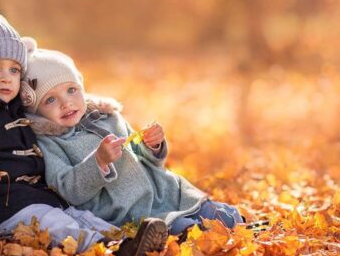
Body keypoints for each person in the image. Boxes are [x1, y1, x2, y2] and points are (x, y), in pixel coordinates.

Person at [0, 0, 167, 256]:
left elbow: (53, 106)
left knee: (81, 217)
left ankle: (127, 244)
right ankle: (108, 254)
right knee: (55, 224)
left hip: (38, 197)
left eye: (13, 70)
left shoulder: (10, 106)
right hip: (0, 206)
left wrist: (91, 106)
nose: (5, 78)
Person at [20, 38, 244, 238]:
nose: (66, 103)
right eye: (50, 100)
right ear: (35, 109)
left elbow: (140, 155)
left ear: (81, 87)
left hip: (162, 192)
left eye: (71, 90)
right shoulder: (49, 142)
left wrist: (150, 146)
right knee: (187, 230)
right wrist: (98, 162)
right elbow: (67, 188)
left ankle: (234, 225)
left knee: (223, 215)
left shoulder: (106, 117)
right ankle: (188, 235)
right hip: (126, 209)